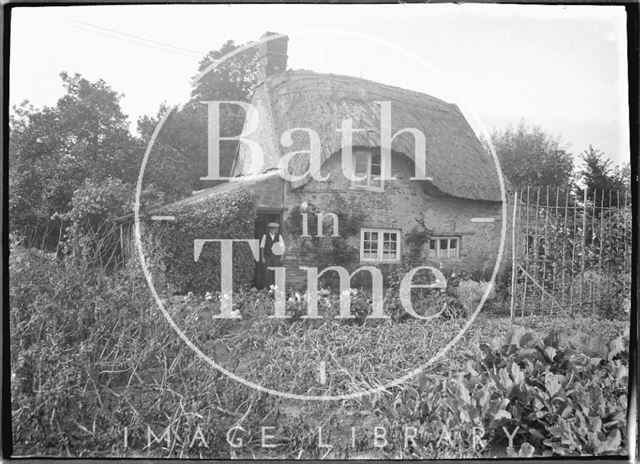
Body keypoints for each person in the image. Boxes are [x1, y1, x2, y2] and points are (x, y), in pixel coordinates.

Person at [258, 222, 285, 289]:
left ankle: (275, 288)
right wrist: (262, 257)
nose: (274, 230)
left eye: (275, 229)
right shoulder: (265, 236)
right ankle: (266, 288)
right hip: (267, 256)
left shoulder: (279, 236)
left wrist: (282, 256)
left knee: (275, 272)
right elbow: (262, 247)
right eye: (272, 229)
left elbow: (282, 246)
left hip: (276, 257)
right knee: (266, 272)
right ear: (270, 229)